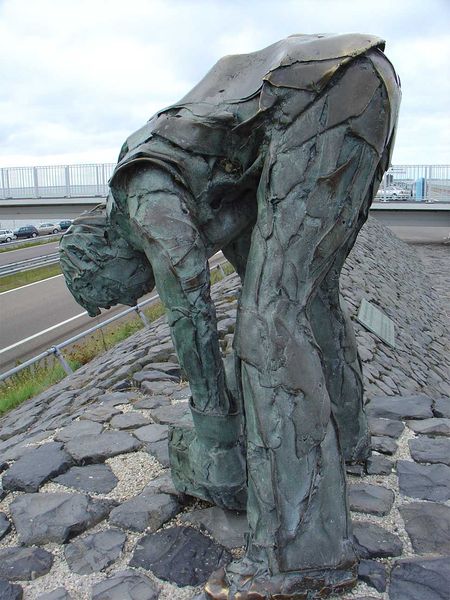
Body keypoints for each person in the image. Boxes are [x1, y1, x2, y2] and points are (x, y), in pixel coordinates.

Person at [61, 33, 400, 599]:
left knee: (267, 325)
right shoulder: (180, 167)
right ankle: (345, 441)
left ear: (101, 260)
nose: (127, 299)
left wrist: (215, 426)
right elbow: (241, 210)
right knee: (305, 300)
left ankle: (303, 558)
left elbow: (189, 302)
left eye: (113, 293)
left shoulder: (140, 191)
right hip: (356, 80)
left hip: (322, 92)